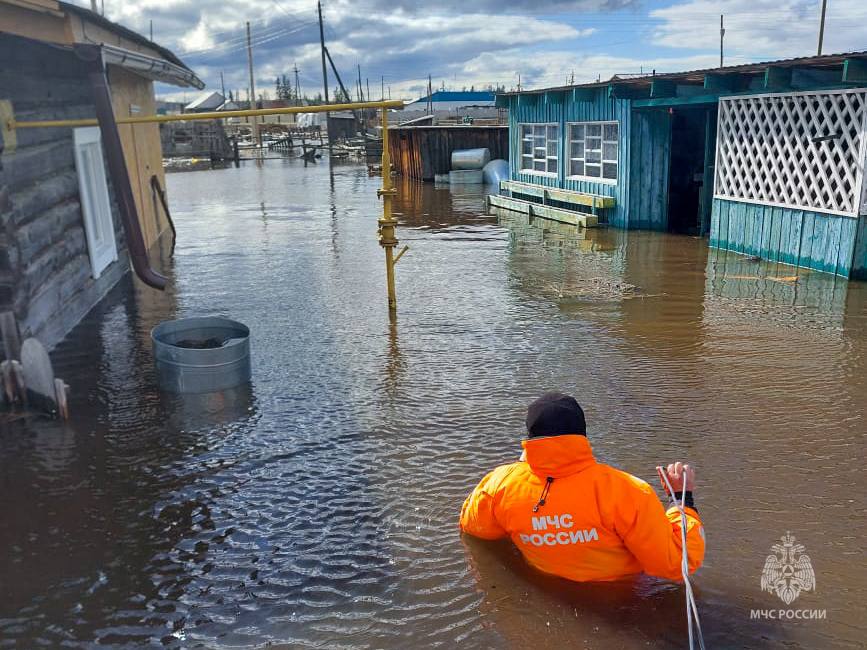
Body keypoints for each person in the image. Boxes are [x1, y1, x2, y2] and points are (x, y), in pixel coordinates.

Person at [459, 392, 705, 582]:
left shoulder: (500, 485)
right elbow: (677, 565)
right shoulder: (627, 491)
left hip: (550, 590)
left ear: (529, 439)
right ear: (583, 435)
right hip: (625, 596)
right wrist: (682, 501)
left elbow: (473, 529)